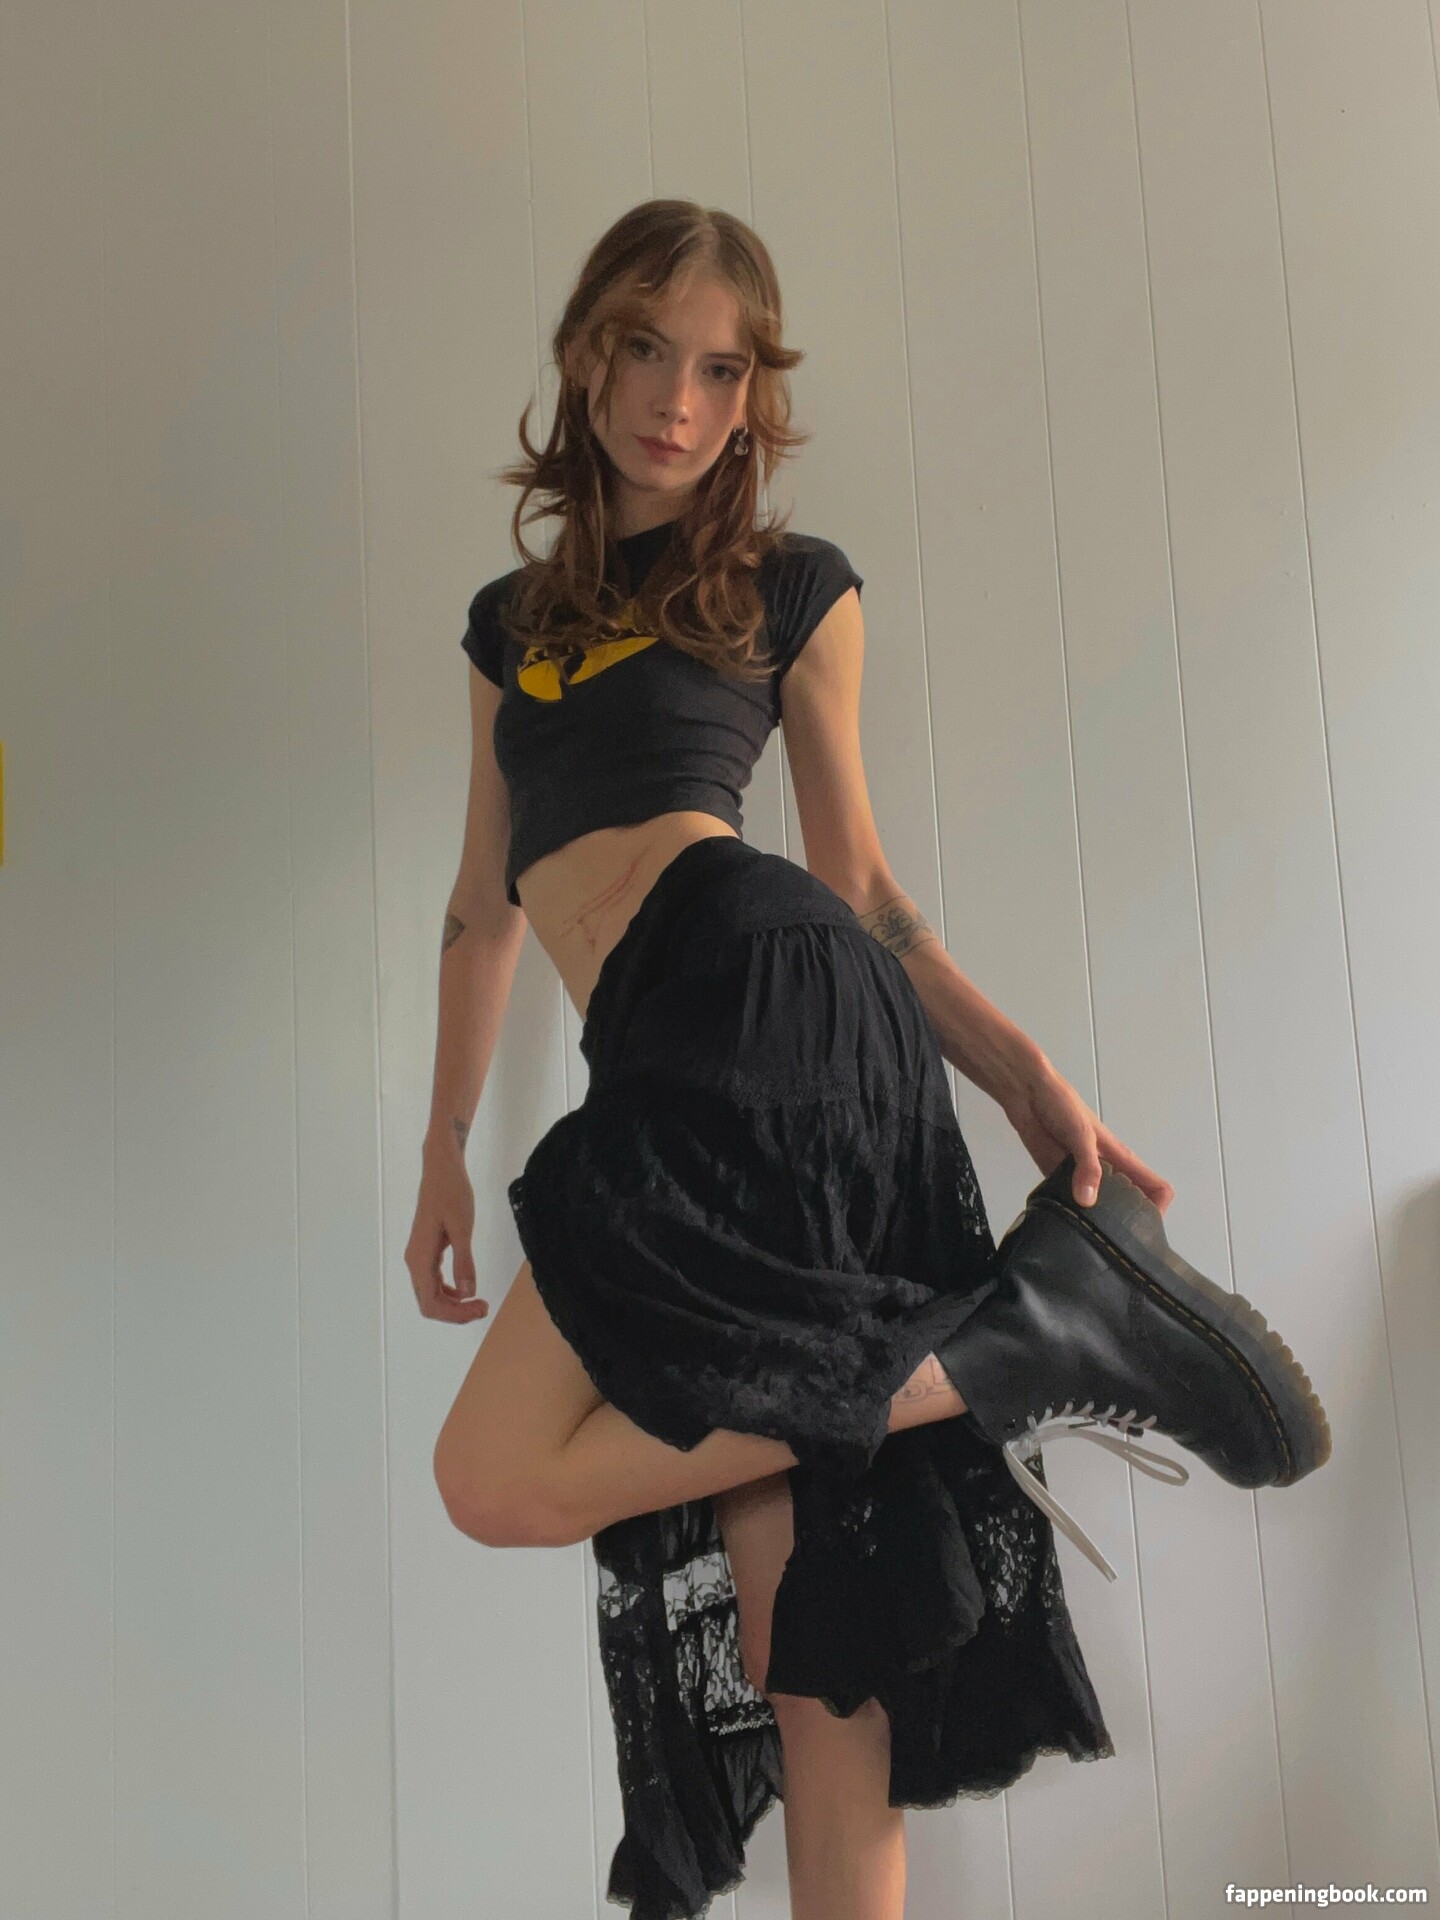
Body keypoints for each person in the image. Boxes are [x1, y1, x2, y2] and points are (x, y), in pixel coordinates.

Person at [409, 200, 1330, 1920]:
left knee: (493, 1475)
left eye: (720, 369)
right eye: (645, 349)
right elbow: (481, 913)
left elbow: (865, 893)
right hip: (666, 1065)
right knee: (815, 1661)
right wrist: (441, 1150)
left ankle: (1015, 1337)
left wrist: (1023, 1077)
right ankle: (1021, 1335)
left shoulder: (786, 586)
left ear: (754, 398)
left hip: (765, 1012)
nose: (676, 399)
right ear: (586, 352)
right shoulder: (510, 625)